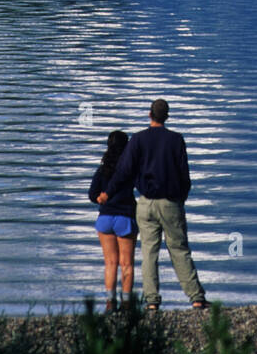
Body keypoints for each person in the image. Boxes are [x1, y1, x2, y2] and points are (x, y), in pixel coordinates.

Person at [98, 99, 208, 310]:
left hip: (145, 203)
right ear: (167, 117)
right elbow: (185, 176)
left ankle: (151, 301)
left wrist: (107, 193)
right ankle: (196, 297)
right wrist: (181, 198)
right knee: (179, 249)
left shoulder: (138, 140)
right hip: (170, 202)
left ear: (150, 115)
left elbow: (123, 171)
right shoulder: (176, 140)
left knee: (149, 252)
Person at [88, 129, 138, 311]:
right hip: (125, 217)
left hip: (105, 218)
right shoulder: (130, 169)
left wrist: (101, 198)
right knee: (127, 264)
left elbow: (92, 194)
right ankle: (126, 303)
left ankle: (110, 302)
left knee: (110, 263)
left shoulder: (102, 170)